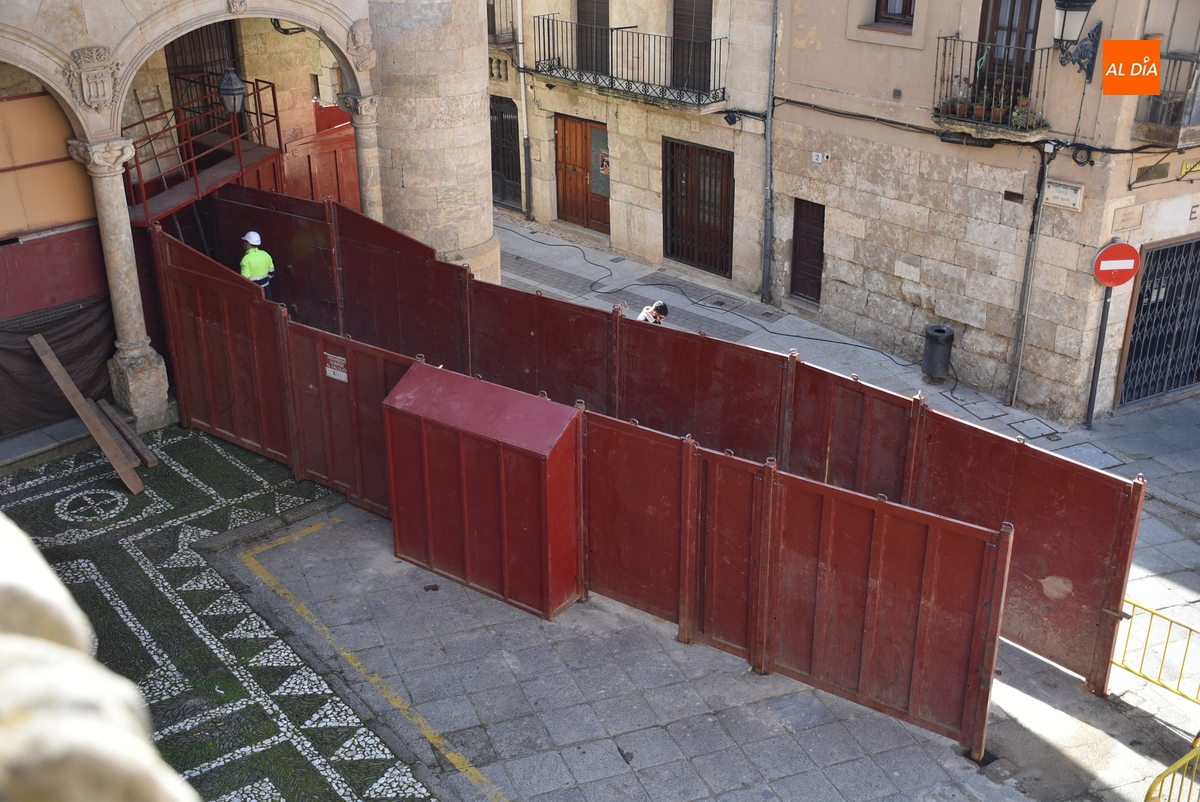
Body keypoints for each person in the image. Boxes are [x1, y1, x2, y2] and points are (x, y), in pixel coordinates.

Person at [239, 231, 275, 300]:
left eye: (245, 242)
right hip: (266, 290)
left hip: (254, 294)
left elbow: (245, 280)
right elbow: (272, 273)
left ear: (248, 244)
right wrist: (264, 281)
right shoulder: (265, 254)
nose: (243, 244)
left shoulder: (246, 259)